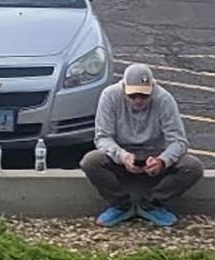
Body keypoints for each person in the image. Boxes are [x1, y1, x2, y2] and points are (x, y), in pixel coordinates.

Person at [81, 63, 205, 228]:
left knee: (193, 166)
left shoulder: (164, 99)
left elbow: (179, 141)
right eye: (132, 96)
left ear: (153, 87)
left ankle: (152, 204)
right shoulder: (109, 96)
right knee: (90, 161)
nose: (138, 100)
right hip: (122, 154)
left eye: (144, 95)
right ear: (123, 87)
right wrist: (122, 156)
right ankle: (121, 204)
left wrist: (162, 160)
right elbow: (102, 137)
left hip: (155, 154)